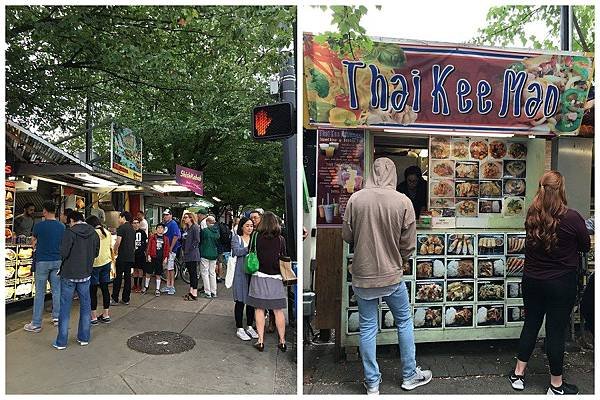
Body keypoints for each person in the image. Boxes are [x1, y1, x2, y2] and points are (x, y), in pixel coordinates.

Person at [343, 157, 432, 394]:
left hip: (362, 274)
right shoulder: (402, 201)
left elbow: (347, 236)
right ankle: (409, 375)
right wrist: (402, 259)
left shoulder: (356, 199)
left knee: (368, 327)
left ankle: (372, 383)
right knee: (404, 322)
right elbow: (409, 244)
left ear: (372, 173)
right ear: (393, 174)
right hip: (392, 276)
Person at [510, 171, 590, 395]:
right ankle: (556, 385)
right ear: (561, 189)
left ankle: (518, 374)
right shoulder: (573, 217)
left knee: (531, 324)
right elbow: (585, 246)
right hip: (560, 283)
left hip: (532, 280)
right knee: (555, 331)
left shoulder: (532, 214)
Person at [53, 211, 99, 349]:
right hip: (86, 274)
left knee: (65, 308)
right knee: (85, 306)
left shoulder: (70, 232)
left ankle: (61, 342)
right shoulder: (94, 233)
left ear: (72, 220)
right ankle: (84, 338)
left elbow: (63, 253)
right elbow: (96, 253)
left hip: (69, 275)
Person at [246, 212, 288, 352]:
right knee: (278, 311)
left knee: (259, 309)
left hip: (259, 276)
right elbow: (283, 257)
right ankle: (282, 341)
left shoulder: (256, 236)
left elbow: (250, 252)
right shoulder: (281, 239)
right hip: (276, 277)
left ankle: (261, 341)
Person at [24, 201, 65, 332]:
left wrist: (36, 245)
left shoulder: (39, 226)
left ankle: (36, 324)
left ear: (45, 211)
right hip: (57, 261)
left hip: (42, 261)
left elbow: (33, 242)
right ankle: (57, 318)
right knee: (57, 290)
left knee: (40, 293)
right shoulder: (62, 226)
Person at [231, 217, 259, 341]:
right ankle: (239, 328)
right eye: (247, 225)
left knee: (251, 302)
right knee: (240, 301)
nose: (250, 228)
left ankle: (249, 326)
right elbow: (236, 251)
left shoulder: (255, 239)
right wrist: (249, 249)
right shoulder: (236, 238)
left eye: (251, 226)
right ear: (242, 226)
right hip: (240, 273)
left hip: (253, 273)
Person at [86, 215, 113, 324]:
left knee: (93, 290)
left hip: (95, 264)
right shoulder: (107, 232)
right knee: (105, 289)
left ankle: (93, 317)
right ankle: (106, 314)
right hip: (106, 263)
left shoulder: (91, 234)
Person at [111, 211, 136, 305]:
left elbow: (118, 242)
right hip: (130, 257)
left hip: (122, 257)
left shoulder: (122, 228)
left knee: (117, 278)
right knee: (128, 278)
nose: (118, 219)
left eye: (119, 217)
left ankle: (115, 298)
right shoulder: (132, 228)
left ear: (123, 218)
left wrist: (114, 250)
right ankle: (126, 299)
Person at [144, 223, 170, 296]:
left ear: (164, 230)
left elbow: (167, 249)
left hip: (160, 258)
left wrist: (165, 258)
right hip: (152, 257)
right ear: (156, 229)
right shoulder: (152, 237)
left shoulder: (166, 239)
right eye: (158, 228)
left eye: (161, 228)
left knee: (158, 274)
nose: (160, 229)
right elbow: (149, 247)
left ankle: (157, 289)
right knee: (148, 272)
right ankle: (146, 286)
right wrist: (148, 255)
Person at [181, 212, 201, 301]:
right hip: (187, 253)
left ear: (191, 218)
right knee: (190, 273)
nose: (184, 219)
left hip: (192, 254)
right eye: (184, 217)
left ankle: (194, 293)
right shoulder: (187, 229)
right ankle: (191, 291)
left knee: (193, 274)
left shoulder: (195, 227)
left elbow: (197, 240)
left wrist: (190, 248)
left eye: (186, 217)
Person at [160, 209, 181, 295]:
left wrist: (171, 247)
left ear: (171, 215)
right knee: (167, 268)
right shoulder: (166, 224)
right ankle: (168, 285)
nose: (165, 216)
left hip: (171, 249)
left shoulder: (173, 224)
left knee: (171, 268)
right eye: (164, 215)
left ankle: (171, 286)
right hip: (166, 249)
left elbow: (176, 236)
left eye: (167, 215)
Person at [199, 216, 220, 298]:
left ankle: (207, 292)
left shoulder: (205, 231)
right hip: (214, 254)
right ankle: (214, 292)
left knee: (205, 273)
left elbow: (200, 241)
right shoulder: (217, 232)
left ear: (207, 222)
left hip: (205, 253)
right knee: (212, 273)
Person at [132, 219, 148, 293]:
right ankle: (135, 284)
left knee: (140, 269)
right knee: (135, 269)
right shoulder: (131, 232)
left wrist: (144, 251)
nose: (135, 224)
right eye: (134, 223)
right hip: (133, 254)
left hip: (141, 253)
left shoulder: (143, 232)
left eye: (137, 223)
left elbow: (145, 243)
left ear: (139, 224)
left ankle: (140, 285)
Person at [216, 218, 232, 283]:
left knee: (218, 262)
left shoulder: (217, 227)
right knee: (222, 262)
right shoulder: (225, 227)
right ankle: (222, 276)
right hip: (224, 247)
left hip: (218, 247)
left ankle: (218, 276)